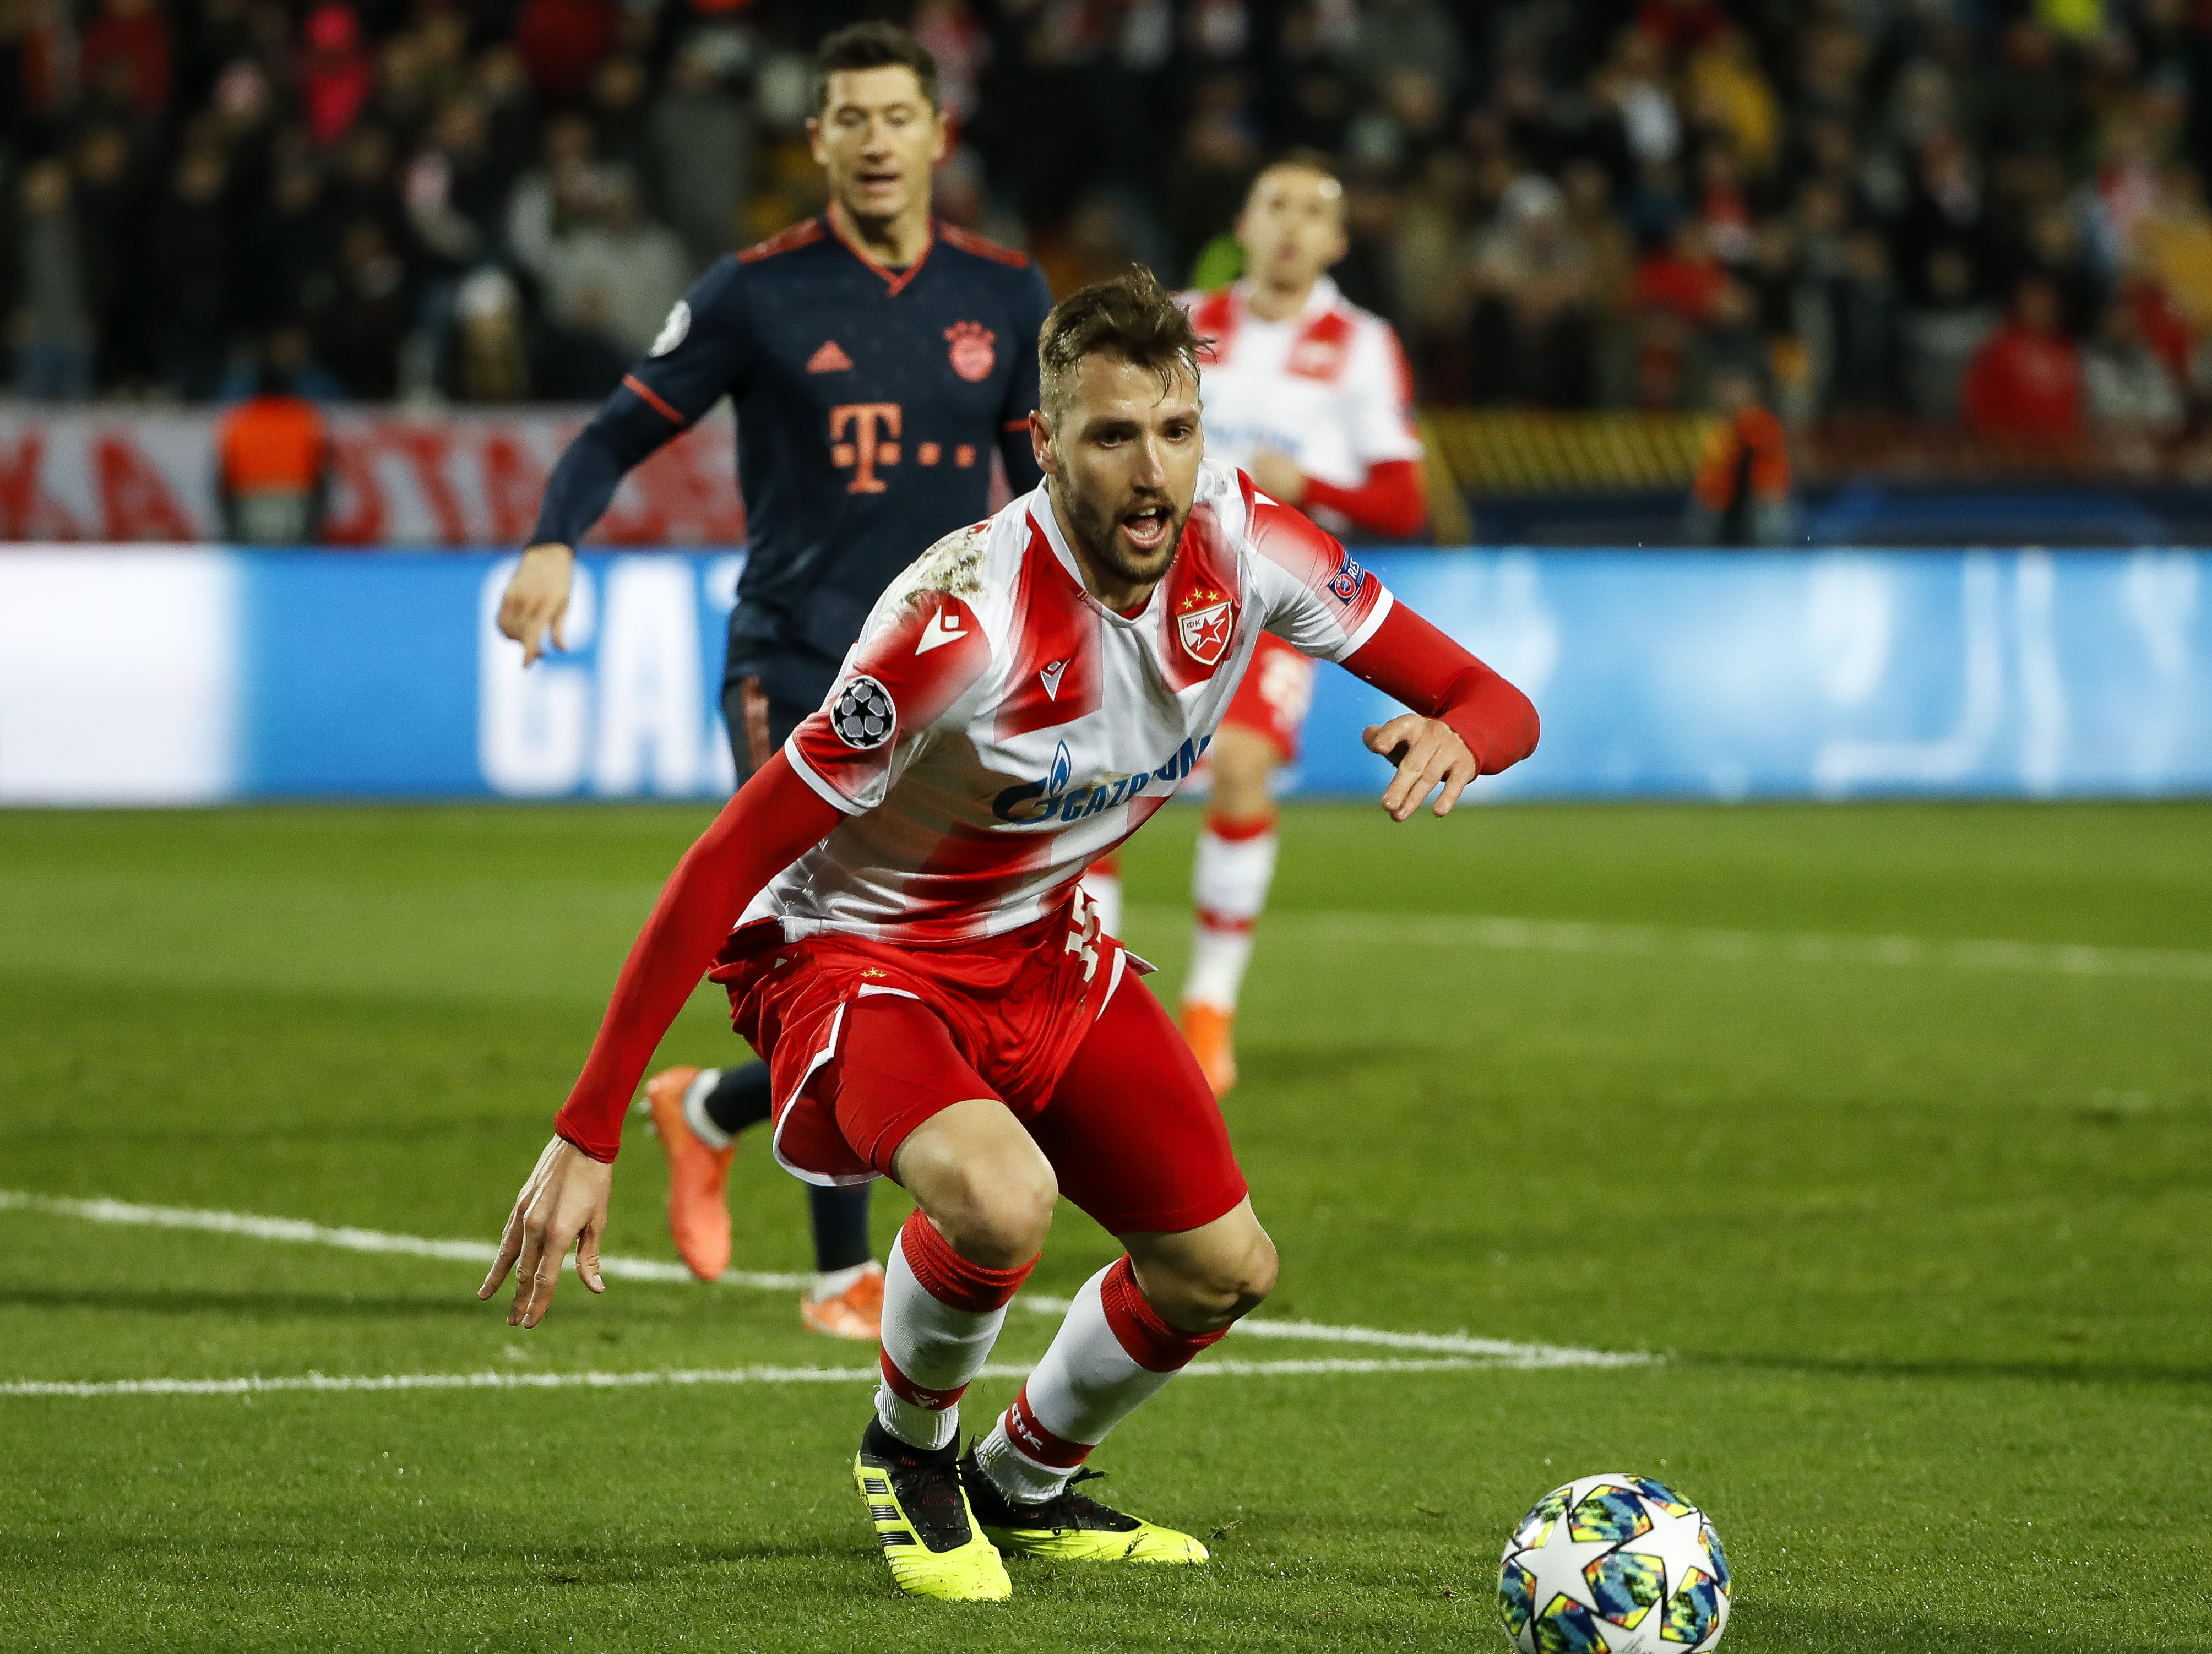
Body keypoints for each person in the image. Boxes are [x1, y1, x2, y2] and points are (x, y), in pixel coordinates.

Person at [477, 267, 1539, 1602]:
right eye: (1110, 437)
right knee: (1001, 1196)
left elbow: (1494, 697)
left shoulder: (1251, 545)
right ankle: (909, 1450)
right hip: (858, 958)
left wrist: (1462, 733)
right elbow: (721, 863)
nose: (1152, 474)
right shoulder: (958, 622)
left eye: (1175, 430)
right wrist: (584, 1124)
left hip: (1040, 944)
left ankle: (1020, 1481)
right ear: (1042, 447)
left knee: (1221, 1268)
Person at [493, 23, 1053, 1341]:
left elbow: (1040, 497)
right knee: (837, 947)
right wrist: (552, 535)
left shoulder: (1006, 293)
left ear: (936, 135)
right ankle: (839, 1272)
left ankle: (708, 1109)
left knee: (939, 967)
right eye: (846, 119)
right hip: (796, 661)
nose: (872, 141)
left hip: (945, 674)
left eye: (894, 117)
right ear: (814, 141)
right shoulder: (755, 292)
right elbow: (620, 425)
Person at [1166, 152, 1428, 1096]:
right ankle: (1086, 992)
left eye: (1312, 212)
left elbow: (1404, 500)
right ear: (1243, 222)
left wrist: (1307, 486)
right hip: (1157, 585)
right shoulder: (1185, 325)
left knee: (1238, 767)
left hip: (1280, 591)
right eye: (1274, 205)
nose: (1289, 225)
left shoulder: (1361, 344)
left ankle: (1209, 1009)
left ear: (1337, 241)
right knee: (1097, 783)